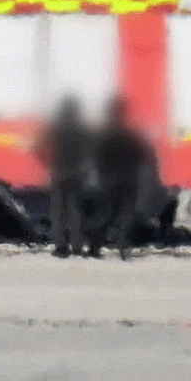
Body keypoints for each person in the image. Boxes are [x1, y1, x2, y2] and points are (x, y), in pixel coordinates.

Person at [92, 95, 155, 260]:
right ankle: (123, 245)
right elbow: (143, 155)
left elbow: (96, 157)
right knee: (127, 214)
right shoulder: (131, 134)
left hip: (109, 181)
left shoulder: (104, 134)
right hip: (129, 180)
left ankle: (95, 247)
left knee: (105, 215)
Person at [34, 95, 92, 259]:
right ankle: (77, 246)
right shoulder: (83, 129)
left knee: (58, 212)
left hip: (58, 172)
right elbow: (92, 151)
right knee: (76, 212)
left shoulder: (55, 128)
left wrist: (48, 163)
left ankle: (61, 246)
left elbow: (37, 147)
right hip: (77, 173)